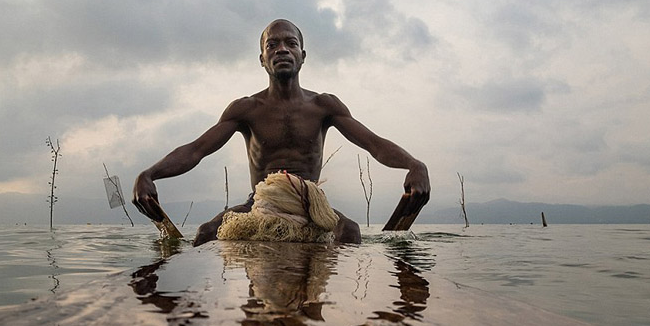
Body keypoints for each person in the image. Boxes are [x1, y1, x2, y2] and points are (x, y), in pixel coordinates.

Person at [133, 19, 430, 246]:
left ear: (302, 55)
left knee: (349, 231)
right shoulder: (246, 109)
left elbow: (373, 144)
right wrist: (150, 173)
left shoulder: (323, 105)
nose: (282, 49)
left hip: (310, 203)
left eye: (290, 43)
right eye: (272, 45)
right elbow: (196, 150)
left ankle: (330, 301)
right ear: (262, 58)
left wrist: (415, 165)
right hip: (258, 203)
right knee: (207, 232)